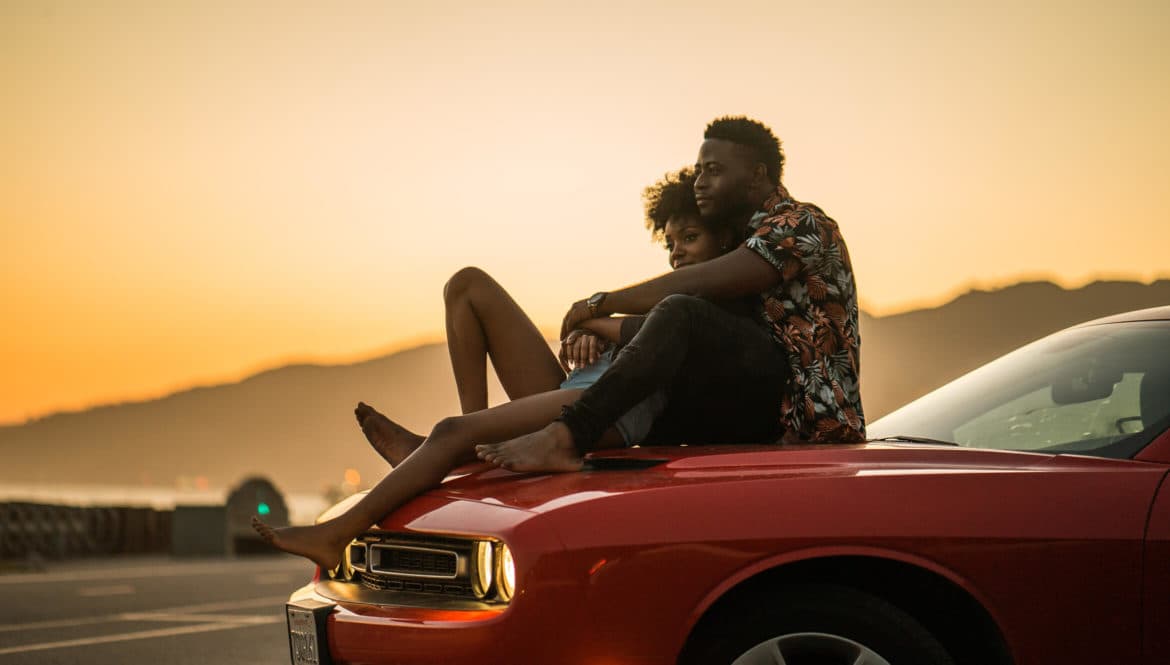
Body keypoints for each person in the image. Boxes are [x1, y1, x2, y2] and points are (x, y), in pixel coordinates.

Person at [252, 168, 740, 570]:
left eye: (691, 238)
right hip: (575, 387)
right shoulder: (661, 302)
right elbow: (630, 330)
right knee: (467, 286)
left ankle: (338, 533)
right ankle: (457, 451)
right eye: (671, 242)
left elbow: (669, 335)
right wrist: (596, 333)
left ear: (723, 245)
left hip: (606, 411)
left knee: (451, 430)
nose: (677, 252)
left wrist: (600, 323)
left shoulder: (716, 304)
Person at [476, 116, 864, 473]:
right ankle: (500, 442)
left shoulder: (801, 223)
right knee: (667, 357)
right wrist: (599, 329)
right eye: (698, 171)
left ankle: (566, 436)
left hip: (813, 422)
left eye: (713, 171)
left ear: (755, 175)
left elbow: (694, 287)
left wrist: (602, 304)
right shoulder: (740, 238)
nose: (699, 182)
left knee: (681, 311)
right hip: (748, 410)